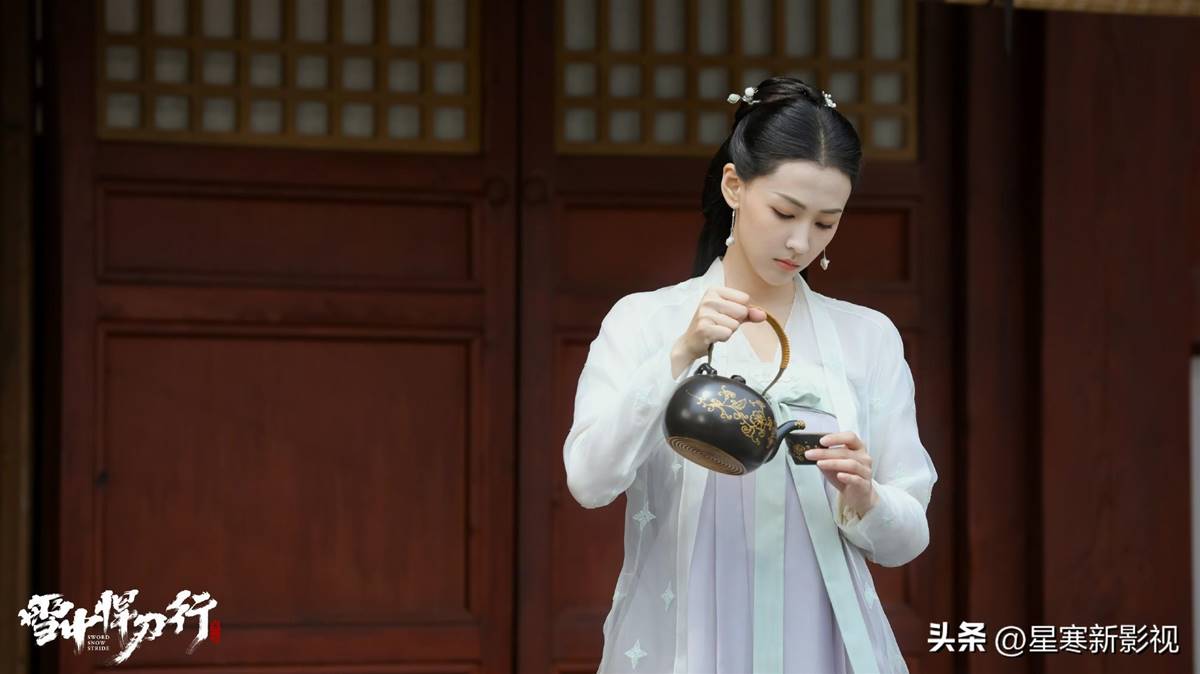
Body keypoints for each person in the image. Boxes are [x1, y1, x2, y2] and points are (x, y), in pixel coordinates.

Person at [562, 76, 938, 674]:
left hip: (826, 643)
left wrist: (865, 495)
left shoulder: (867, 337)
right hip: (686, 645)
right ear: (734, 185)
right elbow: (589, 480)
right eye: (784, 212)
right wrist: (680, 355)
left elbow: (907, 538)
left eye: (826, 222)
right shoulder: (645, 321)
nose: (800, 242)